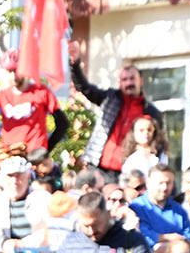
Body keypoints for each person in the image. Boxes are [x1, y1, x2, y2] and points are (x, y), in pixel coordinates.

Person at [68, 41, 164, 179]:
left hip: (128, 171)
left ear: (141, 81)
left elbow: (159, 143)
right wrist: (75, 63)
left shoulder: (150, 112)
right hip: (98, 166)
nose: (129, 83)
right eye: (125, 79)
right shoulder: (110, 99)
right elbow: (85, 88)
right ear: (120, 83)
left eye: (132, 78)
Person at [0, 50, 69, 157]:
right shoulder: (3, 95)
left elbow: (63, 123)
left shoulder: (41, 92)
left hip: (34, 155)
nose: (13, 76)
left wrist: (46, 150)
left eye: (16, 71)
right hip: (10, 154)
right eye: (10, 71)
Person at [130, 165, 190, 253]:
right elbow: (143, 238)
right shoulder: (137, 207)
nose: (164, 187)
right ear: (149, 183)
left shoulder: (178, 210)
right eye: (160, 183)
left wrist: (166, 247)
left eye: (168, 183)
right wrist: (172, 237)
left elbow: (189, 239)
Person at [118, 116, 166, 183]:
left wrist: (150, 157)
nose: (146, 133)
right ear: (133, 132)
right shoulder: (129, 154)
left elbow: (163, 172)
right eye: (141, 130)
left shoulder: (160, 152)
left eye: (149, 130)